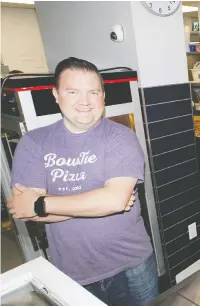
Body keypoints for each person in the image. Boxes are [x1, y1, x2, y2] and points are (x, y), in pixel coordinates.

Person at [7, 57, 158, 305]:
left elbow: (113, 200)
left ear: (103, 96)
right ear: (56, 94)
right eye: (73, 91)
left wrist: (41, 203)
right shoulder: (34, 143)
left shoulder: (121, 137)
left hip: (133, 266)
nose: (85, 102)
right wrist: (100, 200)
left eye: (93, 92)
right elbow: (26, 210)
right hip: (74, 272)